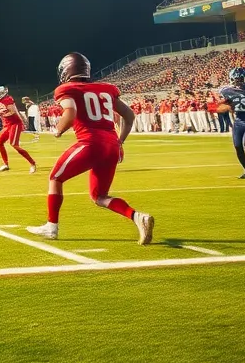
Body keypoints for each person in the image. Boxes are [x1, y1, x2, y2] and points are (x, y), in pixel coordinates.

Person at [26, 53, 154, 245]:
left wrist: (58, 130)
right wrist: (120, 142)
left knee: (55, 178)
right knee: (99, 196)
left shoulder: (67, 88)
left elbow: (70, 113)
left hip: (90, 143)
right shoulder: (106, 88)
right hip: (111, 145)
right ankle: (137, 217)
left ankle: (51, 227)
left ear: (66, 71)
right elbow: (129, 116)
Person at [0, 87, 37, 173]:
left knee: (14, 145)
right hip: (6, 124)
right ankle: (5, 164)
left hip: (15, 123)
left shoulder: (8, 99)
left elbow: (12, 112)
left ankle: (32, 163)